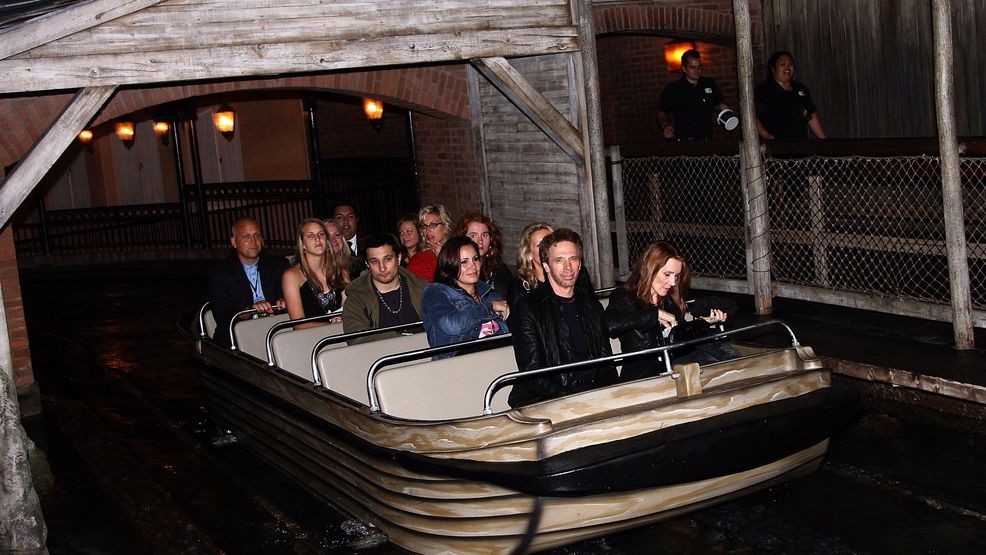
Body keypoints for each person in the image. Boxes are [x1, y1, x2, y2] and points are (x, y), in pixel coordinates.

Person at [508, 229, 618, 407]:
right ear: (546, 266)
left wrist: (605, 396)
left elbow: (606, 363)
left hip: (592, 397)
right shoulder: (529, 308)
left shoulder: (592, 307)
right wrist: (570, 400)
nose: (568, 267)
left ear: (580, 264)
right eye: (559, 260)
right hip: (548, 401)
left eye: (573, 259)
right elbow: (533, 372)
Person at [605, 241, 739, 381]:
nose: (673, 282)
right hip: (642, 377)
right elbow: (611, 325)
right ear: (650, 269)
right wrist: (654, 314)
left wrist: (704, 322)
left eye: (676, 276)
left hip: (673, 371)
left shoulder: (669, 300)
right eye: (667, 274)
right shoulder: (625, 296)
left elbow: (678, 338)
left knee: (723, 359)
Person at [420, 236, 510, 357]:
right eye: (464, 262)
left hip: (498, 358)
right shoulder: (435, 292)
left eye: (475, 259)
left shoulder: (488, 292)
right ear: (449, 264)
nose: (472, 266)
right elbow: (452, 325)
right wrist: (489, 308)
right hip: (457, 365)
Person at [207, 217, 289, 346]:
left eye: (257, 235)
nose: (253, 241)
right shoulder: (220, 273)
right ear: (234, 242)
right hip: (238, 333)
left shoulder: (279, 265)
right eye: (246, 236)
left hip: (277, 328)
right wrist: (247, 312)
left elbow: (294, 297)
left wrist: (285, 300)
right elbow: (222, 314)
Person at [343, 234, 428, 344]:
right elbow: (356, 337)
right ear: (367, 264)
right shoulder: (356, 299)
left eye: (387, 259)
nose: (382, 267)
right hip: (381, 358)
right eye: (374, 261)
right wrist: (404, 340)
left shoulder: (422, 289)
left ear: (398, 258)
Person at [281, 218, 348, 327]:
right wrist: (330, 324)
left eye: (321, 234)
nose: (317, 239)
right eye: (311, 235)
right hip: (311, 338)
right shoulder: (291, 276)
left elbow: (350, 307)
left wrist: (342, 319)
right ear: (302, 244)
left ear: (327, 241)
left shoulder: (341, 271)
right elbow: (298, 324)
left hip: (342, 332)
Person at [658, 49, 730, 142]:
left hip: (707, 140)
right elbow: (661, 113)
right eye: (692, 67)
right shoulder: (673, 89)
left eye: (699, 67)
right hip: (684, 142)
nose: (697, 70)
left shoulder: (709, 83)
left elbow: (720, 104)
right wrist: (666, 126)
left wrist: (726, 112)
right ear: (684, 68)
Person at [755, 51, 826, 140]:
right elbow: (754, 118)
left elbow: (811, 116)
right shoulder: (763, 90)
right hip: (775, 147)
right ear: (773, 68)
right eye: (783, 64)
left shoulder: (800, 89)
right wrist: (767, 135)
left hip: (800, 145)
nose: (787, 67)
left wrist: (824, 141)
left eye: (790, 64)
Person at [454, 213, 515, 302]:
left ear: (491, 239)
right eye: (473, 236)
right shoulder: (456, 270)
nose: (480, 241)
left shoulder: (500, 269)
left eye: (484, 235)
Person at [407, 204, 452, 281]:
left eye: (433, 225)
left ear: (445, 227)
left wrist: (444, 256)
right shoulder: (419, 261)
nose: (428, 231)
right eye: (424, 227)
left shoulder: (459, 251)